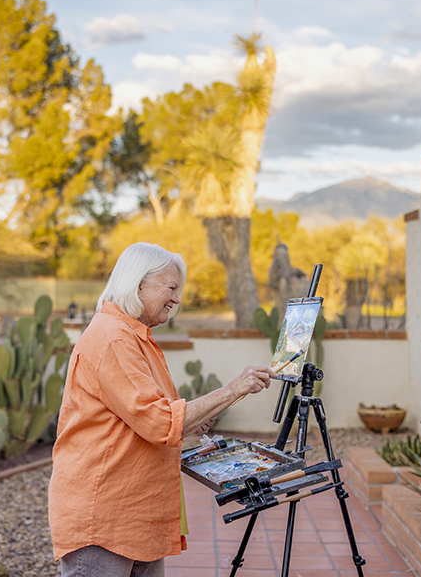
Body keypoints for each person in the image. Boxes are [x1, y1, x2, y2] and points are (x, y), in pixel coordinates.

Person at [48, 242, 278, 576]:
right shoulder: (113, 338)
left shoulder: (135, 336)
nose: (177, 298)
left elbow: (151, 416)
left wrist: (194, 425)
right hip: (104, 518)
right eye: (170, 287)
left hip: (135, 515)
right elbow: (161, 422)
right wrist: (233, 389)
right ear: (138, 284)